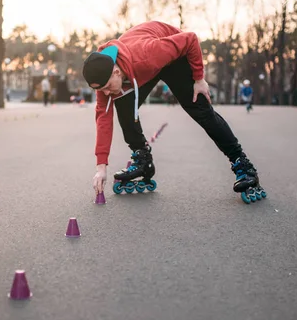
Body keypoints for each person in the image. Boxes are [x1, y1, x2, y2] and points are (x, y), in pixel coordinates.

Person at [82, 21, 266, 203]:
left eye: (107, 87)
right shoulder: (102, 76)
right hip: (138, 66)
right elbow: (103, 119)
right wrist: (101, 168)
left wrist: (199, 79)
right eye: (101, 90)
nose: (105, 93)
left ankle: (243, 165)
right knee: (123, 106)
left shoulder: (148, 54)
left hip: (173, 56)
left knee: (200, 110)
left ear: (116, 72)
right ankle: (142, 159)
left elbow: (190, 39)